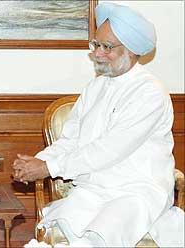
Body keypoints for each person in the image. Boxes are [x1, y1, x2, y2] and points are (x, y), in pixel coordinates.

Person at [14, 3, 183, 247]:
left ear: (132, 50)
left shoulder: (149, 92)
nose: (97, 53)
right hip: (94, 189)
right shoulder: (95, 87)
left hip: (136, 191)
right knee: (65, 228)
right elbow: (71, 140)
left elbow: (110, 149)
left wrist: (48, 167)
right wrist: (37, 162)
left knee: (99, 236)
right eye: (96, 45)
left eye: (107, 47)